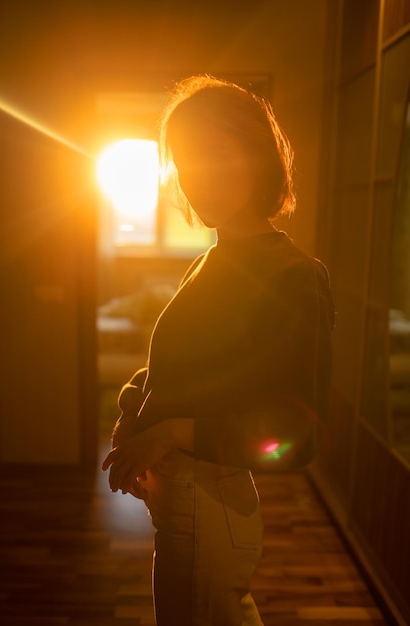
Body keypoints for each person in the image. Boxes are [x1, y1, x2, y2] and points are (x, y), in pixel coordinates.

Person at [102, 74, 335, 626]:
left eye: (214, 154)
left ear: (258, 156)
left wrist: (169, 431)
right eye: (184, 159)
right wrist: (130, 416)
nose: (195, 176)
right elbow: (180, 369)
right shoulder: (215, 257)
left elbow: (295, 433)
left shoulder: (293, 275)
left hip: (212, 500)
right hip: (183, 498)